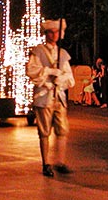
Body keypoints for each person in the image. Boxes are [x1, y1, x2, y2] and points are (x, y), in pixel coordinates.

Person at [26, 19, 75, 177]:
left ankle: (60, 161)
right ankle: (46, 163)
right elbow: (32, 71)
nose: (54, 35)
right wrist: (48, 72)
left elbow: (69, 77)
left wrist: (61, 79)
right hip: (44, 96)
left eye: (57, 32)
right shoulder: (38, 51)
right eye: (51, 32)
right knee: (44, 132)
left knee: (62, 130)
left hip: (58, 97)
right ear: (46, 33)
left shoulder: (62, 53)